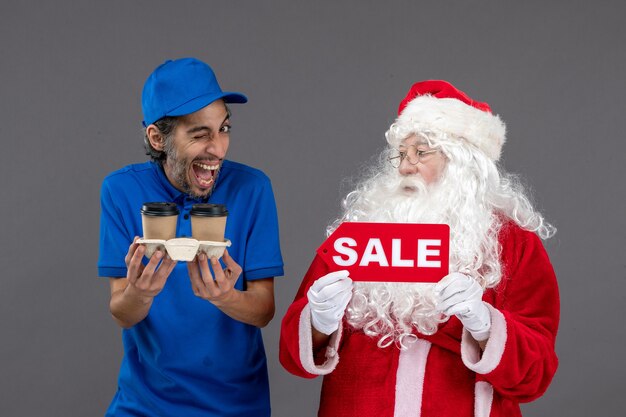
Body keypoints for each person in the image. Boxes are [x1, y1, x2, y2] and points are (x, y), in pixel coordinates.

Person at [279, 80, 559, 417]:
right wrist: (318, 322)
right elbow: (292, 355)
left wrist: (486, 325)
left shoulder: (512, 241)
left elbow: (535, 376)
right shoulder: (359, 235)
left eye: (421, 152)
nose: (405, 167)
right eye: (401, 154)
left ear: (462, 164)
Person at [98, 57, 284, 417]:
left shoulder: (252, 188)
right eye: (200, 134)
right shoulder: (121, 190)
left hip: (234, 405)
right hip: (144, 405)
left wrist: (226, 297)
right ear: (158, 137)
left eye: (224, 129)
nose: (218, 148)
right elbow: (122, 312)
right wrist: (141, 292)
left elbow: (263, 311)